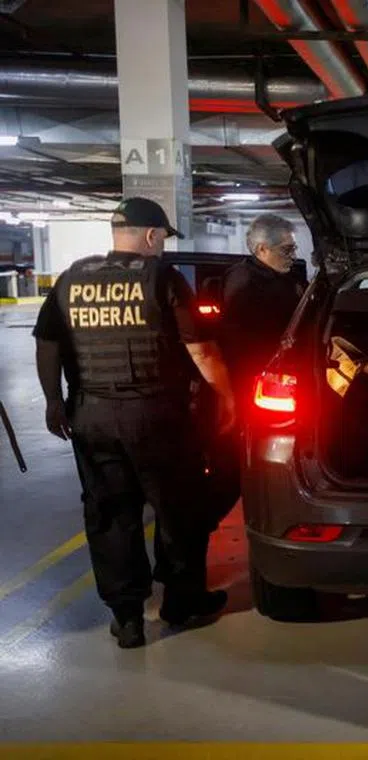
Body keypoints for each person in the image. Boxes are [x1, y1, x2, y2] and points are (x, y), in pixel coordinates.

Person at [34, 197, 237, 649]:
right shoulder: (161, 278)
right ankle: (182, 602)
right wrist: (226, 398)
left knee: (110, 513)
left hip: (92, 416)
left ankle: (127, 618)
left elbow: (47, 345)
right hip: (157, 416)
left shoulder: (71, 279)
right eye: (162, 237)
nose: (162, 245)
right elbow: (201, 350)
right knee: (178, 509)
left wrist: (53, 402)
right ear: (150, 235)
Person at [218, 214, 307, 408]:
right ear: (262, 249)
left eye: (294, 249)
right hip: (255, 377)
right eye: (287, 250)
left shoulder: (289, 277)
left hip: (285, 371)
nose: (293, 256)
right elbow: (235, 337)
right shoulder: (243, 281)